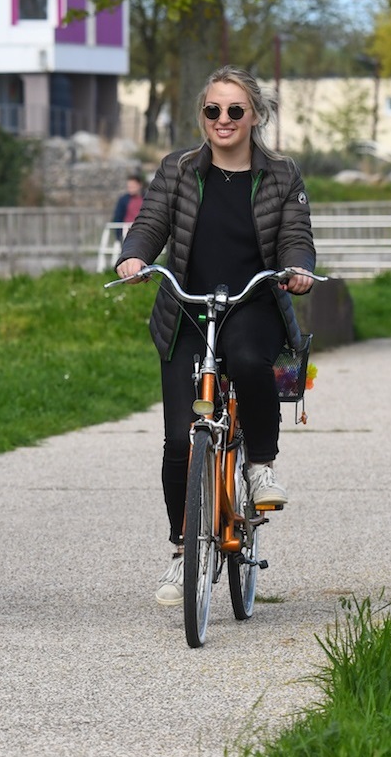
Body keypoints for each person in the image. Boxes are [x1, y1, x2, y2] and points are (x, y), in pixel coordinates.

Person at [113, 66, 317, 607]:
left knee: (251, 363)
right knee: (180, 441)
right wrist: (134, 254)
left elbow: (296, 235)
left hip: (251, 303)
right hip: (187, 308)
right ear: (202, 116)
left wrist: (297, 268)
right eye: (212, 111)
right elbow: (152, 221)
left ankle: (258, 467)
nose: (222, 121)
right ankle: (182, 551)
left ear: (254, 116)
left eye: (234, 111)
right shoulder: (178, 169)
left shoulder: (280, 174)